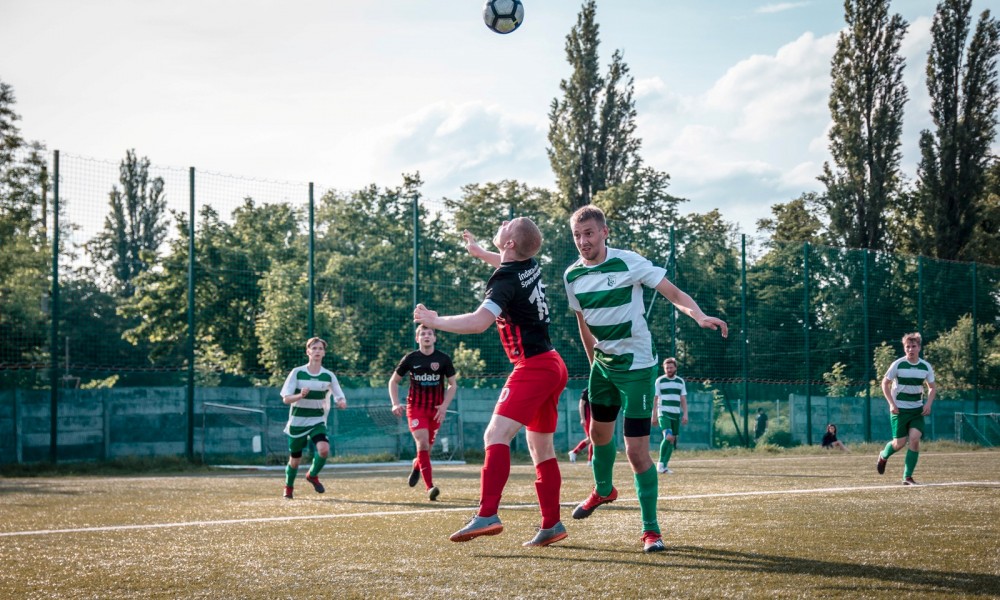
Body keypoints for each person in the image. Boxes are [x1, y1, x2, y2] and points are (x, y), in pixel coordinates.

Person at [564, 204, 728, 553]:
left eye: (589, 233)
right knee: (597, 434)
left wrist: (697, 316)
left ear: (605, 232)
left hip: (637, 370)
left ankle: (651, 531)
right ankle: (603, 489)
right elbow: (583, 324)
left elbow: (673, 293)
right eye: (577, 236)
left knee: (636, 452)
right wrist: (594, 364)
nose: (583, 241)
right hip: (603, 368)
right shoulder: (572, 276)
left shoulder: (628, 262)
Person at [414, 218, 569, 547]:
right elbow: (508, 264)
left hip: (534, 366)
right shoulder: (528, 264)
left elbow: (479, 322)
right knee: (541, 448)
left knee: (495, 434)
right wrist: (481, 252)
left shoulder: (504, 279)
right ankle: (552, 525)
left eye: (508, 224)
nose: (502, 222)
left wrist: (434, 321)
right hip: (554, 363)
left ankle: (487, 514)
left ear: (510, 243)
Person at [388, 324, 458, 501]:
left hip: (435, 410)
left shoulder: (443, 359)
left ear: (434, 338)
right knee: (423, 444)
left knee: (427, 448)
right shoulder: (410, 358)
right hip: (415, 408)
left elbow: (452, 384)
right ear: (417, 338)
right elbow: (393, 382)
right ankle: (430, 487)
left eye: (430, 333)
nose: (426, 336)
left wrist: (443, 406)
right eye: (423, 334)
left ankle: (417, 466)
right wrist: (395, 403)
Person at [279, 337, 347, 499]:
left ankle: (312, 475)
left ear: (324, 353)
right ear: (308, 351)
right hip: (297, 423)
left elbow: (339, 395)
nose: (317, 351)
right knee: (295, 460)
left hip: (317, 421)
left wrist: (341, 401)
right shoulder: (297, 372)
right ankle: (288, 487)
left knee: (324, 450)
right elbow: (286, 399)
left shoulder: (328, 376)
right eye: (314, 348)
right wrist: (299, 395)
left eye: (320, 349)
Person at [877, 332, 936, 485]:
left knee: (915, 440)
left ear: (919, 348)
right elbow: (885, 384)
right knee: (899, 443)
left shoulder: (925, 366)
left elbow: (932, 388)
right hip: (899, 410)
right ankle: (883, 455)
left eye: (913, 346)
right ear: (904, 349)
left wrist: (928, 404)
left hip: (917, 410)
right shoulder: (898, 364)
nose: (910, 349)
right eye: (907, 347)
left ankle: (907, 477)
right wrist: (892, 403)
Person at [652, 357, 687, 474]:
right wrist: (654, 415)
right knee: (668, 436)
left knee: (672, 440)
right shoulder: (659, 381)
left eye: (671, 367)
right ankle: (660, 464)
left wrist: (685, 414)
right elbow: (655, 398)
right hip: (663, 413)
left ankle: (665, 466)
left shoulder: (680, 382)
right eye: (667, 368)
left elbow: (683, 399)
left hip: (676, 414)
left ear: (675, 368)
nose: (669, 369)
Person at [568, 389, 593, 465]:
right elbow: (581, 404)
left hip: (594, 418)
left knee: (594, 439)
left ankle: (590, 460)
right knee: (591, 438)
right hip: (588, 418)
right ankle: (574, 452)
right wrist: (582, 418)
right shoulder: (587, 391)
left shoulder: (599, 389)